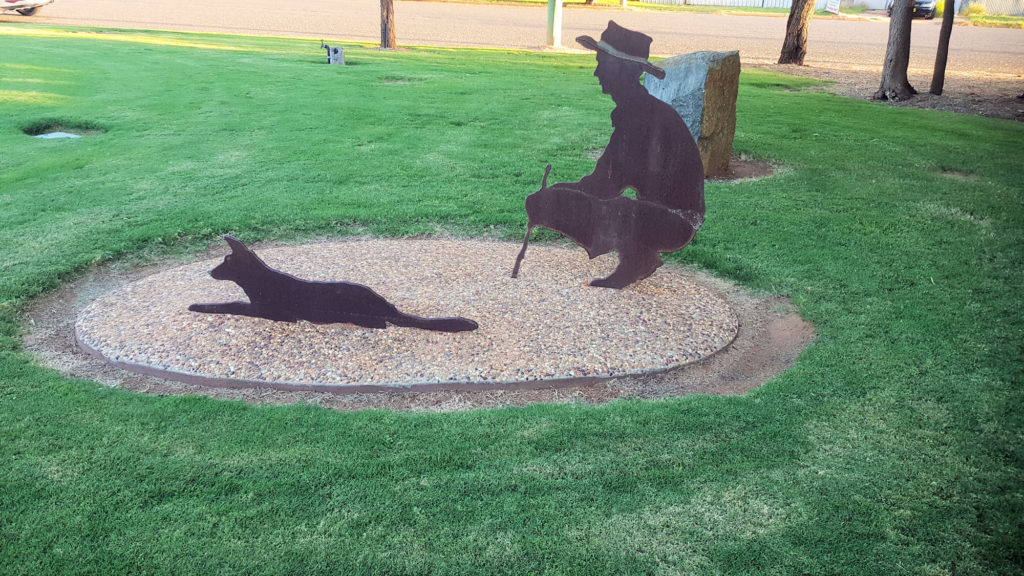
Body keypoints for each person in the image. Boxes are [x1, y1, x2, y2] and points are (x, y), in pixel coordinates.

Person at [520, 21, 705, 289]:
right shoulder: (639, 111)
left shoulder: (640, 118)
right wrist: (560, 192)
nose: (596, 72)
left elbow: (603, 187)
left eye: (601, 63)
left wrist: (553, 198)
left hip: (678, 220)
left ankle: (638, 260)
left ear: (622, 70)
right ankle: (641, 257)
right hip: (662, 213)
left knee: (610, 210)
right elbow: (606, 178)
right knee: (608, 208)